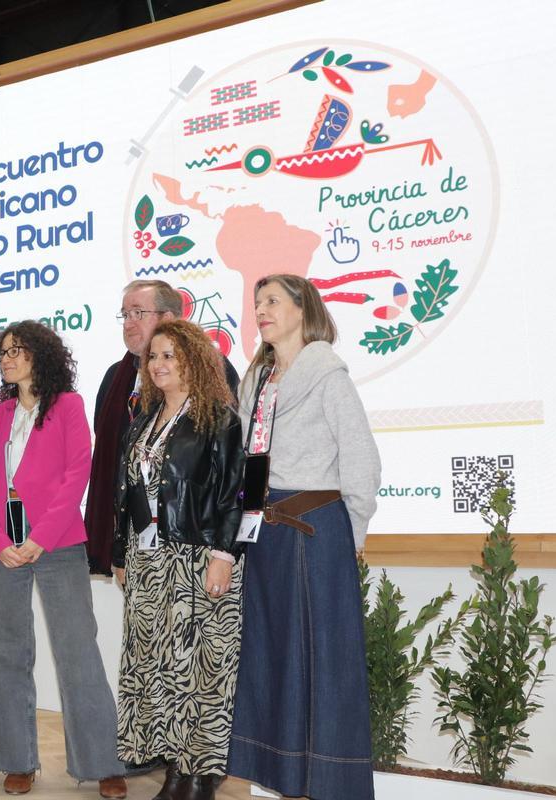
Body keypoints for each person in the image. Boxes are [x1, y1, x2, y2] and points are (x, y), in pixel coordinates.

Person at [226, 275, 380, 800]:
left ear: (302, 309)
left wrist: (349, 535)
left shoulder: (328, 375)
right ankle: (285, 778)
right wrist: (242, 525)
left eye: (272, 302)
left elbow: (361, 460)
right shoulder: (257, 382)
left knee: (322, 662)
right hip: (264, 536)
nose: (261, 311)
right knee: (270, 659)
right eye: (256, 303)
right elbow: (250, 462)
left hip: (317, 535)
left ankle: (331, 783)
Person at [0, 320, 126, 799]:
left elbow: (76, 474)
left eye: (17, 350)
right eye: (2, 352)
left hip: (58, 543)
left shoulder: (68, 405)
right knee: (6, 655)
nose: (7, 358)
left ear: (42, 353)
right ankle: (15, 761)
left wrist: (39, 536)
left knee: (77, 653)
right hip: (0, 549)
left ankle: (103, 762)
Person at [112, 320, 245, 800]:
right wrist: (120, 554)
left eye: (171, 355)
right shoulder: (139, 425)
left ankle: (202, 774)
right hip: (149, 565)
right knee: (155, 668)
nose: (159, 364)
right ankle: (173, 768)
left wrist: (223, 554)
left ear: (193, 361)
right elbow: (124, 496)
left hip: (197, 558)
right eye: (154, 357)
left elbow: (234, 494)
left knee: (200, 670)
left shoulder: (219, 420)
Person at [86, 280, 239, 580]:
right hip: (137, 545)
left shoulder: (213, 369)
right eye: (125, 314)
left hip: (195, 546)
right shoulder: (113, 378)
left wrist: (223, 550)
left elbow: (228, 469)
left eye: (138, 312)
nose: (128, 323)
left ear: (168, 319)